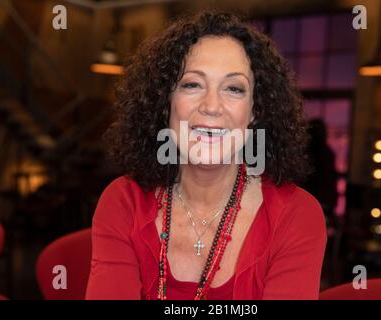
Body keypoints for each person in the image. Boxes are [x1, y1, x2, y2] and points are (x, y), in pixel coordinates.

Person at [85, 10, 327, 300]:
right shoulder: (123, 201)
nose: (212, 106)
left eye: (234, 89)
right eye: (192, 84)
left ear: (255, 111)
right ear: (166, 103)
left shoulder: (296, 215)